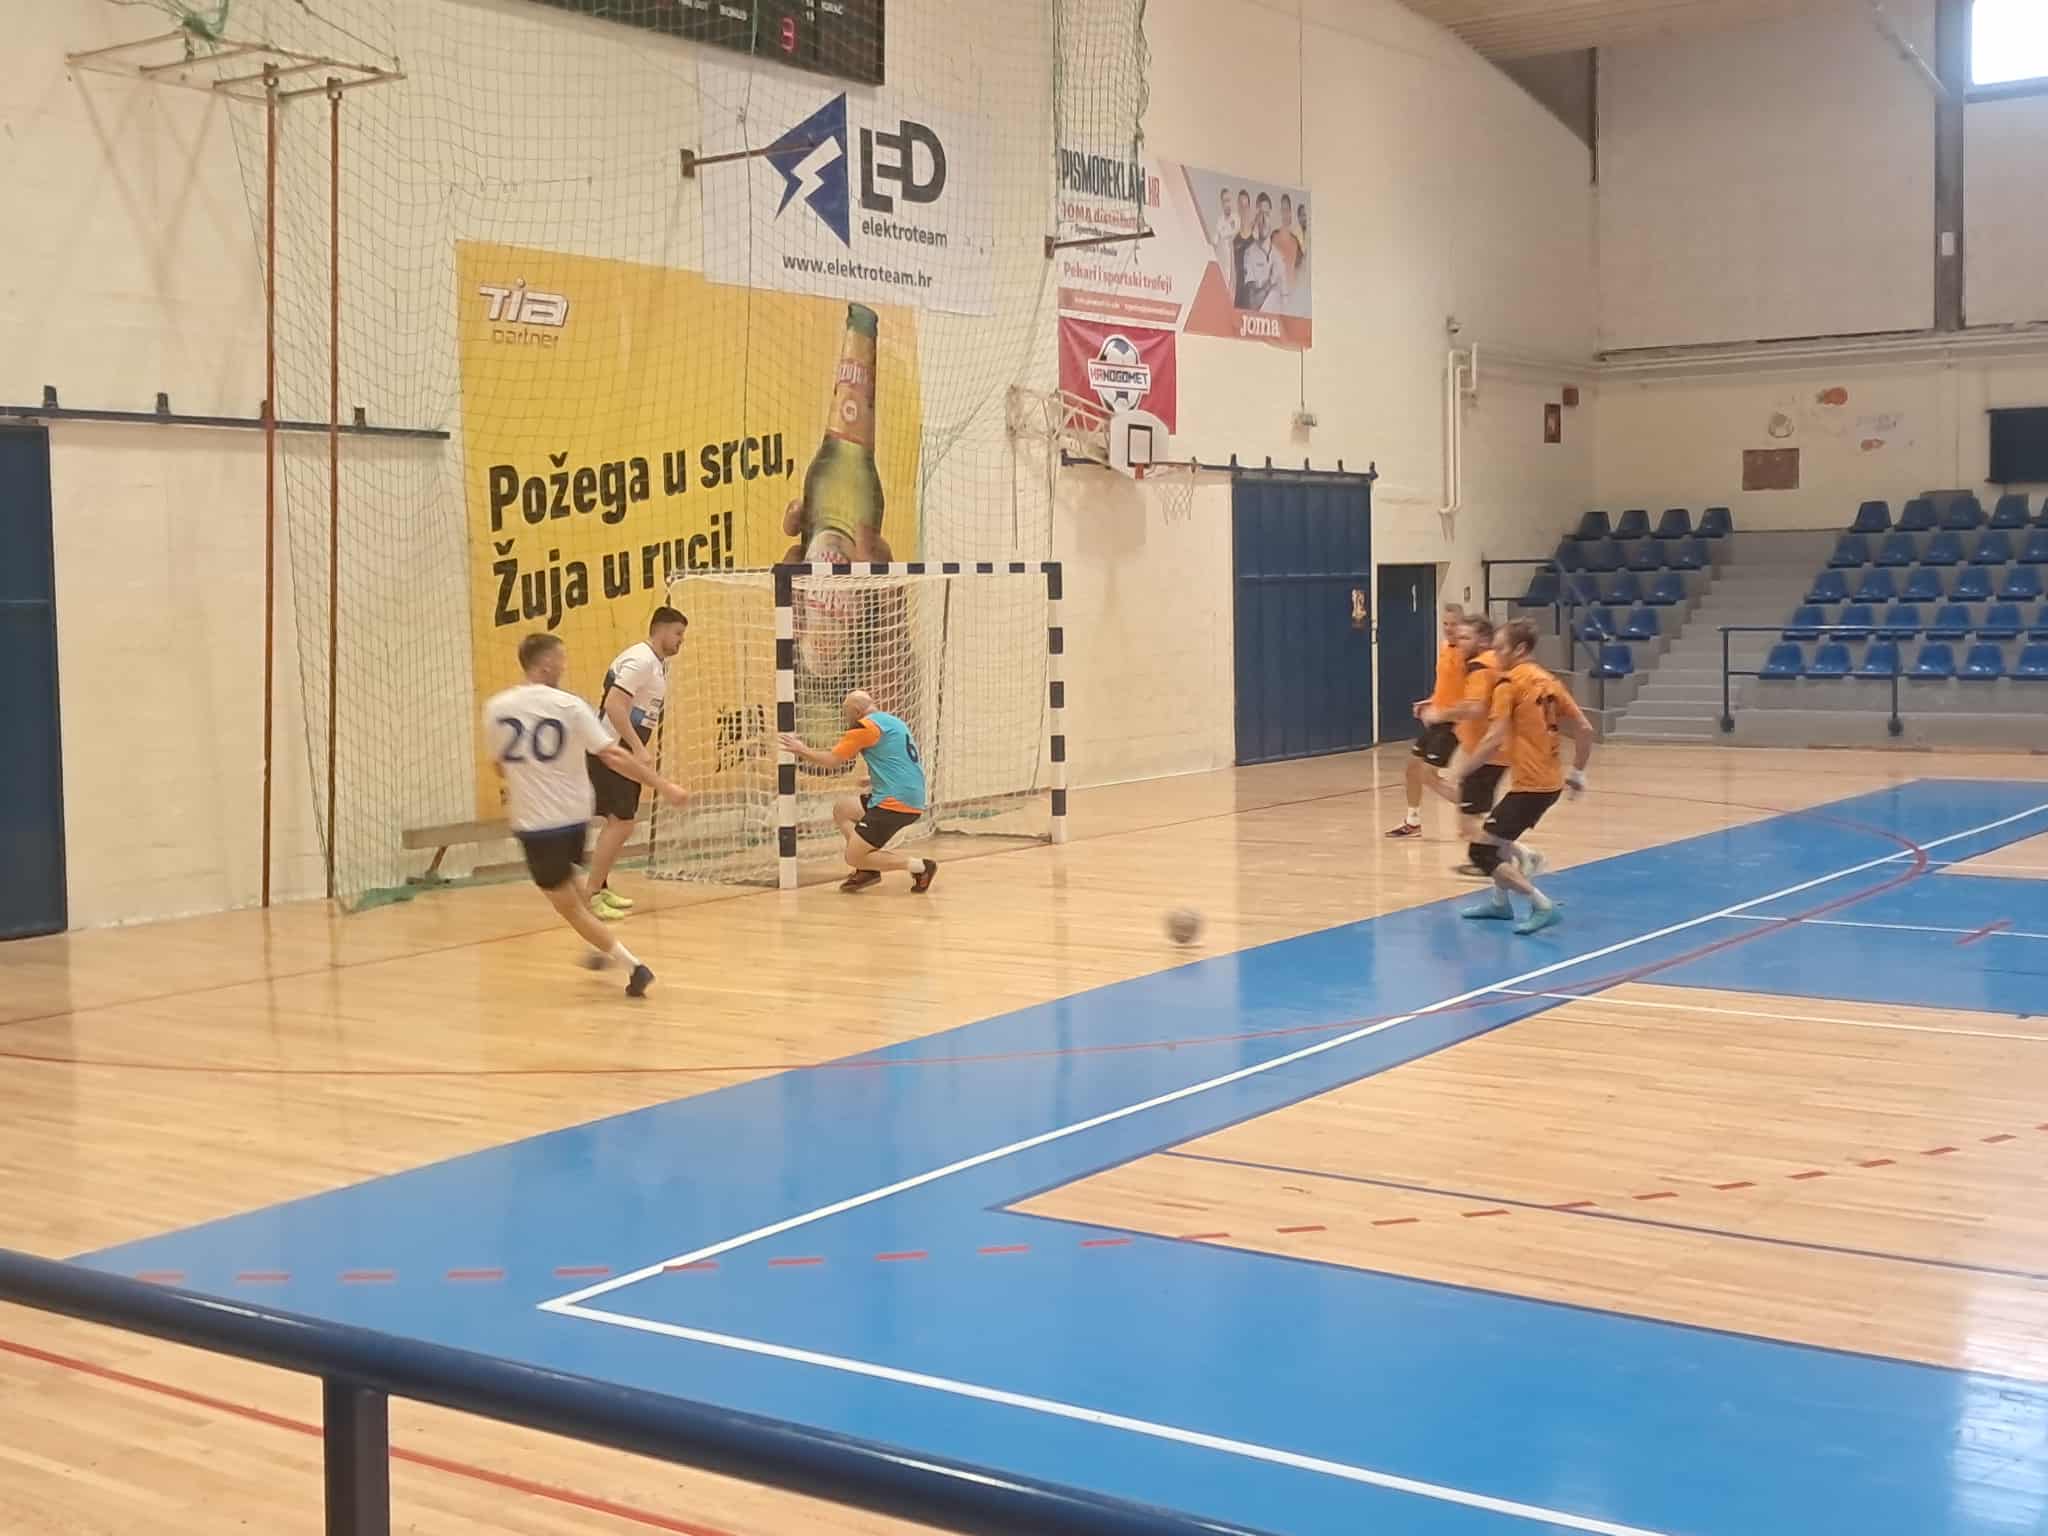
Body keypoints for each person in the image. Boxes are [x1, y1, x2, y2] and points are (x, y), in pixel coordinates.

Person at [485, 633, 689, 996]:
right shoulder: (570, 705)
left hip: (537, 825)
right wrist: (663, 785)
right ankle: (598, 946)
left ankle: (633, 967)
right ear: (546, 664)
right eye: (561, 659)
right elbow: (613, 755)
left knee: (568, 908)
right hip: (574, 819)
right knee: (574, 888)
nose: (564, 666)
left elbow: (500, 767)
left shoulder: (497, 708)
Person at [1448, 618, 1593, 935]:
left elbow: (1493, 737)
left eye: (1500, 648)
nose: (1495, 654)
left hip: (1531, 787)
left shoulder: (1508, 683)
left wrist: (1463, 770)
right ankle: (1500, 903)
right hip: (1549, 783)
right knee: (1499, 842)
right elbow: (1585, 728)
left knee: (1481, 852)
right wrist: (1577, 772)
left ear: (1520, 649)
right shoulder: (1549, 681)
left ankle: (1542, 905)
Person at [779, 689, 938, 893]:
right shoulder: (893, 722)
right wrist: (874, 778)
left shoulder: (864, 727)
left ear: (856, 711)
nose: (846, 719)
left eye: (846, 714)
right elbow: (901, 761)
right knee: (843, 809)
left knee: (852, 856)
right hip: (911, 795)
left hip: (894, 803)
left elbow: (832, 761)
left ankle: (920, 867)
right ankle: (867, 870)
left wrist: (801, 750)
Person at [585, 607, 688, 920]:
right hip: (611, 749)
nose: (681, 640)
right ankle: (591, 894)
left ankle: (600, 887)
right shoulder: (641, 660)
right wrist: (637, 746)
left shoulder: (655, 665)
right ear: (660, 630)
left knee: (621, 822)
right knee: (621, 822)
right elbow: (614, 704)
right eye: (678, 633)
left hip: (621, 748)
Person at [1424, 615, 1506, 877]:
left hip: (1487, 751)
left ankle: (1512, 857)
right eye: (1458, 637)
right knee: (1471, 814)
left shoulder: (1480, 667)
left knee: (1468, 822)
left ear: (1483, 640)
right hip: (1488, 749)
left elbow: (1474, 707)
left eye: (1465, 637)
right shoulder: (1492, 662)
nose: (1459, 642)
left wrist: (1440, 714)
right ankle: (1494, 859)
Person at [1386, 604, 1466, 839]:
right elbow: (1446, 686)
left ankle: (1475, 809)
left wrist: (1452, 714)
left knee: (1427, 774)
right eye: (1445, 624)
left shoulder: (1468, 655)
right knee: (1413, 768)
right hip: (1438, 718)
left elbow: (1471, 693)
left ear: (1463, 625)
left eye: (1454, 624)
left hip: (1454, 722)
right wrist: (1430, 701)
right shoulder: (1445, 648)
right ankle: (1413, 821)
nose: (1449, 628)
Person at [1212, 187, 1241, 279]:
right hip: (1224, 263)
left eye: (1229, 200)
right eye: (1225, 201)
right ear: (1222, 203)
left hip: (1235, 262)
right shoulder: (1219, 221)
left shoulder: (1237, 219)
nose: (1227, 204)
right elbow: (1214, 242)